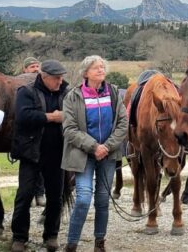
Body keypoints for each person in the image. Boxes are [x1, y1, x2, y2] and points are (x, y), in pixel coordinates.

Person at [62, 56, 128, 252]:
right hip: (83, 155)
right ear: (85, 73)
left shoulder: (114, 93)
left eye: (102, 67)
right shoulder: (73, 97)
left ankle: (99, 243)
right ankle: (71, 243)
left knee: (102, 200)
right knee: (83, 198)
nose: (101, 70)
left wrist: (106, 147)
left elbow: (123, 124)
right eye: (95, 68)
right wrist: (94, 147)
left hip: (108, 155)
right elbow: (69, 129)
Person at [10, 60, 70, 252]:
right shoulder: (26, 92)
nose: (60, 82)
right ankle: (19, 237)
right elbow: (22, 116)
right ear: (44, 77)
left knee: (56, 197)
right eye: (56, 78)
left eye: (62, 78)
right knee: (24, 195)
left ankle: (51, 235)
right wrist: (50, 117)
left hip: (57, 154)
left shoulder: (66, 93)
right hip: (31, 153)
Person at [15, 56, 46, 207]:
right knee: (27, 167)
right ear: (24, 70)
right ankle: (29, 196)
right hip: (26, 135)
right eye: (32, 67)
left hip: (42, 132)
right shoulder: (22, 89)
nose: (35, 69)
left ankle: (40, 193)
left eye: (37, 66)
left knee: (40, 165)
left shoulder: (45, 87)